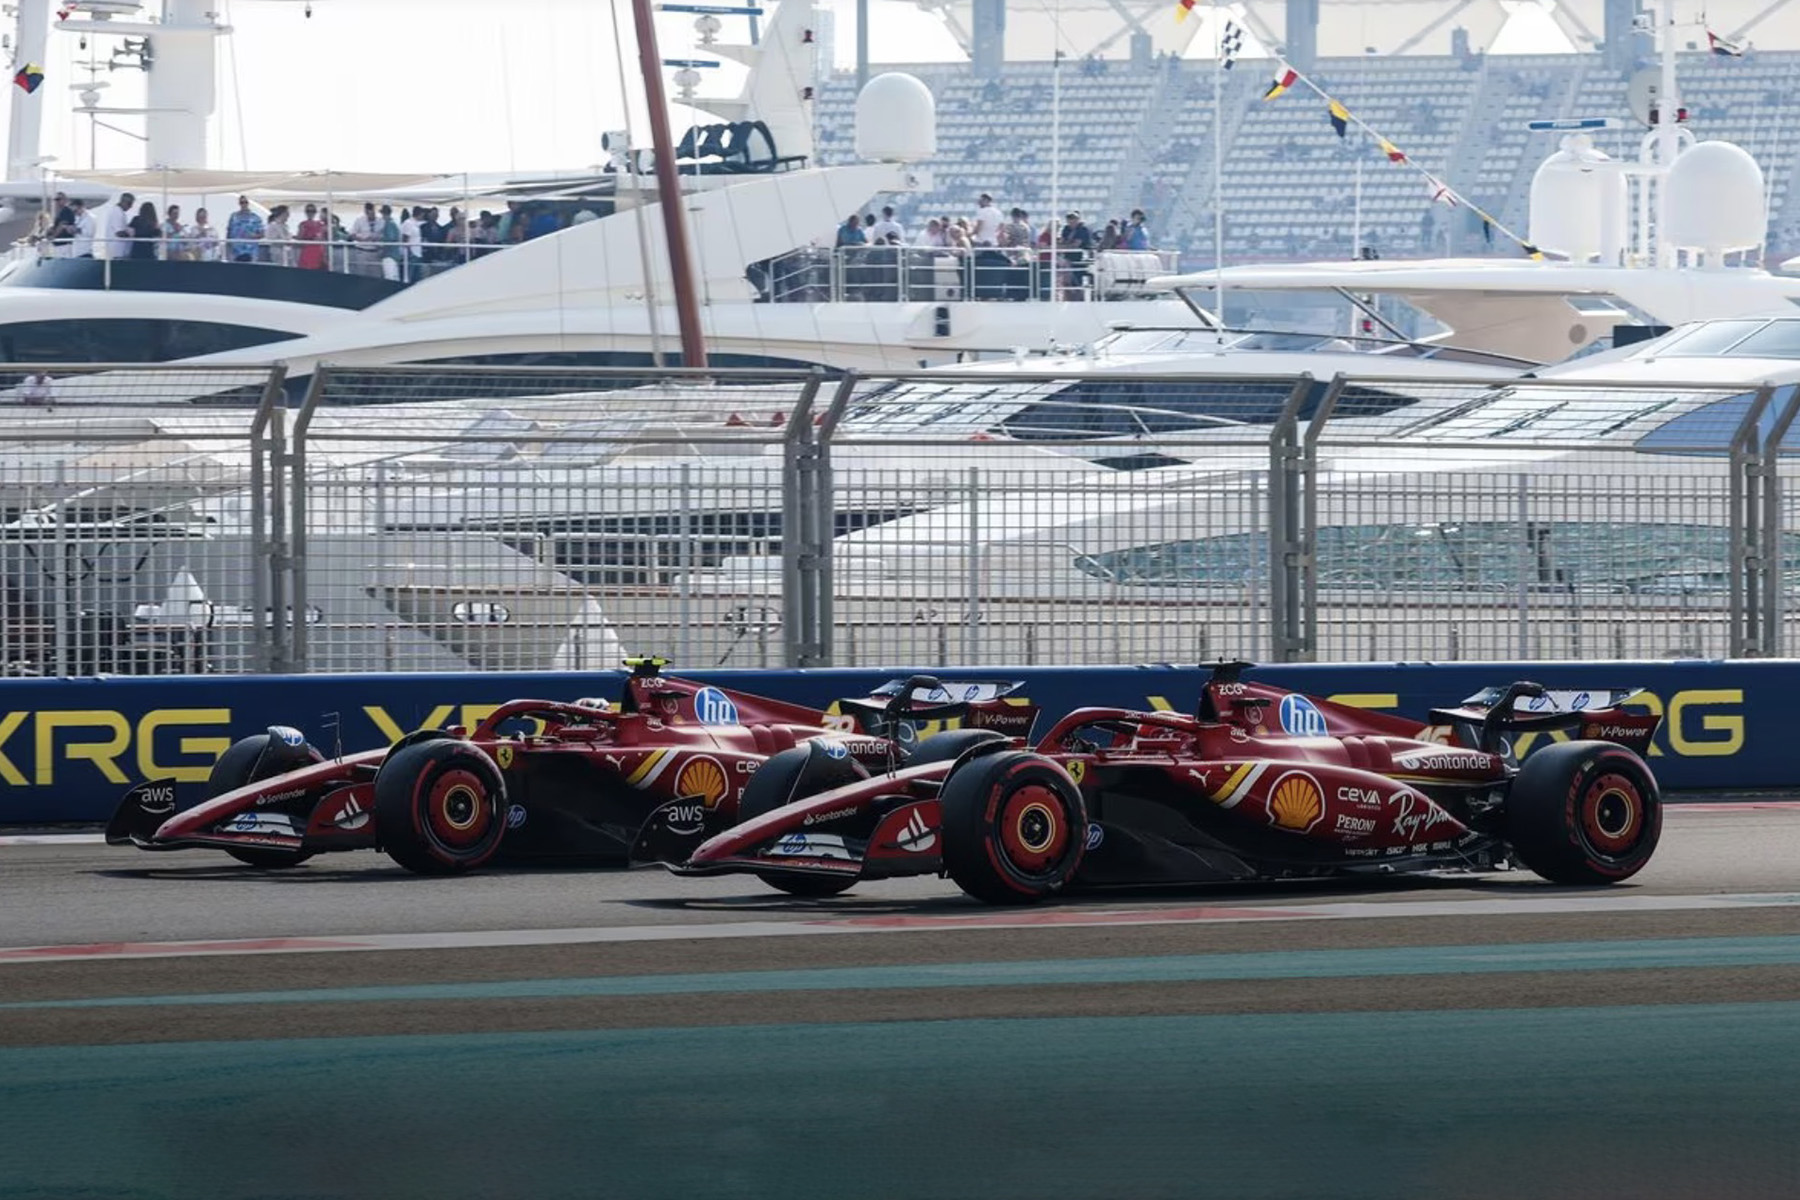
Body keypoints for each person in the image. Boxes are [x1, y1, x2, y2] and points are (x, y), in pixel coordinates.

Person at [225, 195, 265, 262]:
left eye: (245, 202)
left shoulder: (255, 218)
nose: (244, 204)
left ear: (248, 203)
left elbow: (262, 234)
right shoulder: (233, 217)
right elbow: (229, 232)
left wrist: (253, 236)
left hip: (251, 250)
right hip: (236, 251)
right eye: (242, 202)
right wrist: (228, 249)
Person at [100, 192, 134, 260]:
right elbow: (119, 233)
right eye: (129, 204)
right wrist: (131, 235)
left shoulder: (119, 212)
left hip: (118, 251)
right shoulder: (117, 212)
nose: (131, 207)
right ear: (123, 202)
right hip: (117, 252)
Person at [376, 203, 403, 280]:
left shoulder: (389, 224)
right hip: (394, 254)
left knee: (389, 276)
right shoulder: (393, 223)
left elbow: (390, 238)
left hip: (389, 254)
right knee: (394, 275)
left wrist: (380, 240)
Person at [296, 203, 327, 270]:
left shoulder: (320, 224)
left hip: (318, 251)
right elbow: (299, 239)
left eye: (312, 211)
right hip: (308, 251)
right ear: (305, 212)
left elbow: (323, 239)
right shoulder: (303, 224)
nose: (310, 213)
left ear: (315, 212)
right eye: (308, 211)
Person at [400, 205, 424, 279]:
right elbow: (405, 238)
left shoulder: (416, 224)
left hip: (418, 253)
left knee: (417, 277)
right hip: (412, 255)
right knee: (409, 276)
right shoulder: (408, 223)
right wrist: (410, 253)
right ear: (419, 214)